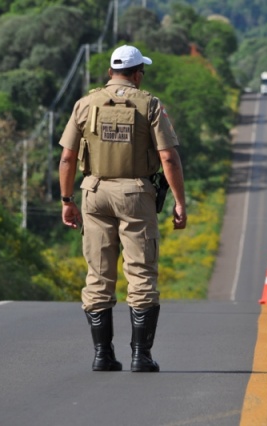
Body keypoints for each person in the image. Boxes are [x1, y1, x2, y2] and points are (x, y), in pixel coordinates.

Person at [58, 45, 187, 373]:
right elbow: (169, 157)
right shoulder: (150, 105)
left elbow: (67, 158)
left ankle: (103, 355)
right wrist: (179, 202)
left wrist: (66, 200)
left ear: (110, 72)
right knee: (141, 273)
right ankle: (140, 356)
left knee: (98, 275)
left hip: (94, 192)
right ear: (138, 74)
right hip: (135, 193)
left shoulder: (86, 104)